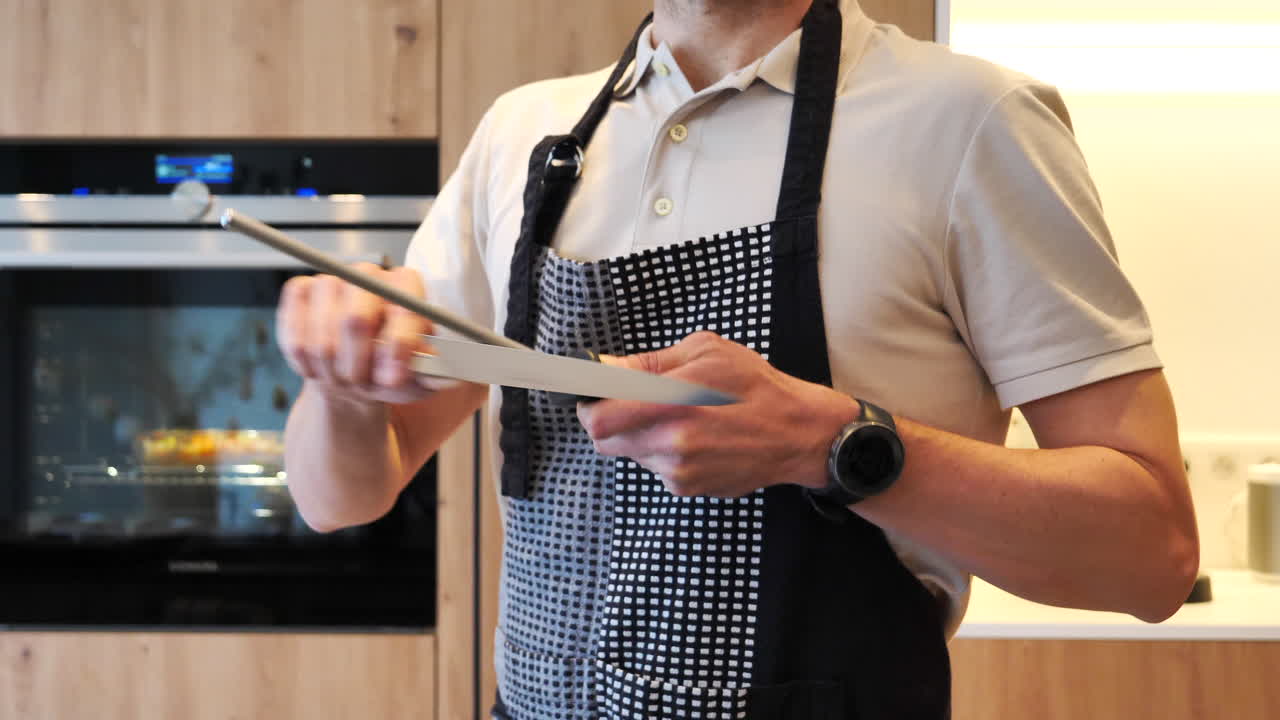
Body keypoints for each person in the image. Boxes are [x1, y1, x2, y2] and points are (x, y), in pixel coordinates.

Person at [275, 0, 1198, 717]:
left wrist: (831, 446)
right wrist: (343, 385)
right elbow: (342, 495)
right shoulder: (524, 136)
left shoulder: (971, 122)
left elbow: (1152, 556)